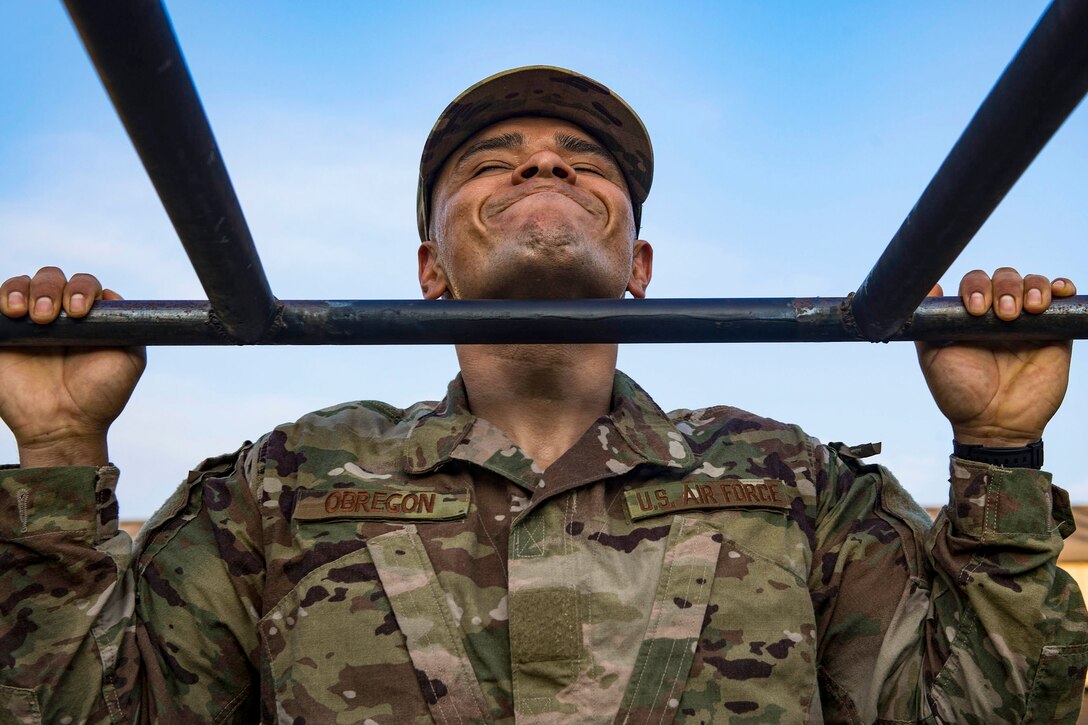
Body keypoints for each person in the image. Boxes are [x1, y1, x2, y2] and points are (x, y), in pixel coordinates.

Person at [0, 66, 1085, 724]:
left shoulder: (785, 476)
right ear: (430, 269)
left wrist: (994, 449)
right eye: (491, 160)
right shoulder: (285, 479)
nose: (544, 167)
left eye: (582, 160)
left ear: (639, 263)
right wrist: (58, 451)